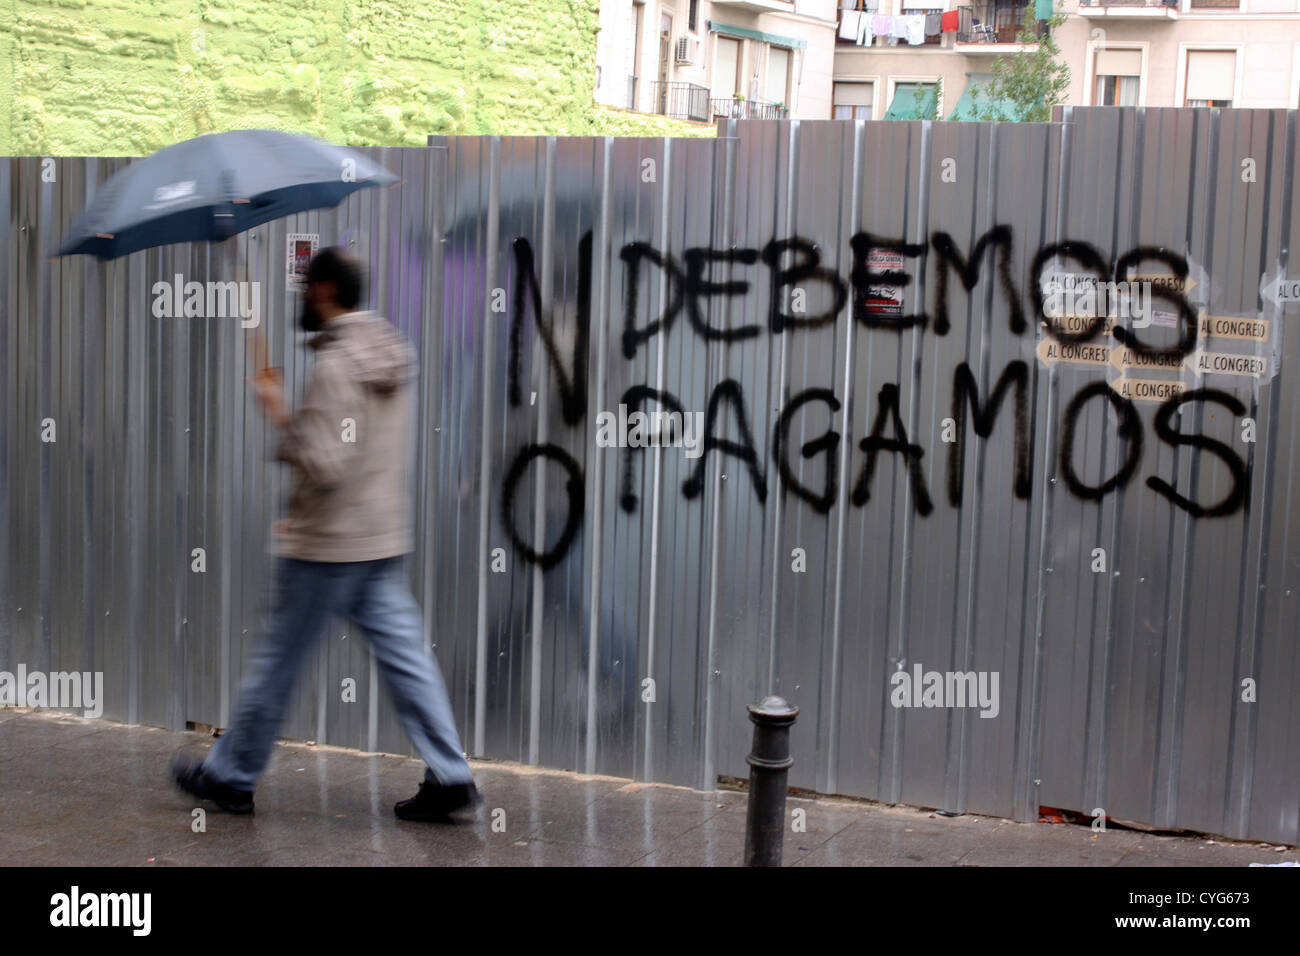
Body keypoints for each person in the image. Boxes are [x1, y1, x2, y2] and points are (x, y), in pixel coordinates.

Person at [170, 246, 479, 822]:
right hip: (379, 540)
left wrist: (279, 412)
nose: (302, 298)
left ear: (327, 290)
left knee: (278, 661)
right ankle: (451, 773)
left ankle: (231, 776)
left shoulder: (337, 366)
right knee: (408, 658)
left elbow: (329, 462)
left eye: (308, 287)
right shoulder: (387, 349)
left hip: (329, 546)